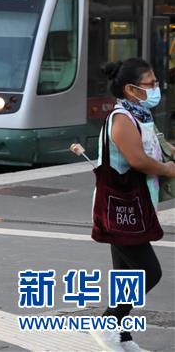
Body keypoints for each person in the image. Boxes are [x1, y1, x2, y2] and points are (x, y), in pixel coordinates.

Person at [90, 59, 175, 352]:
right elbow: (138, 160)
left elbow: (156, 148)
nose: (156, 88)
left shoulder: (140, 115)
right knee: (149, 272)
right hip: (119, 208)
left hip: (134, 205)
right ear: (131, 89)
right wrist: (168, 169)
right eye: (151, 83)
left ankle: (122, 337)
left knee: (125, 274)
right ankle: (107, 324)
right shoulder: (122, 118)